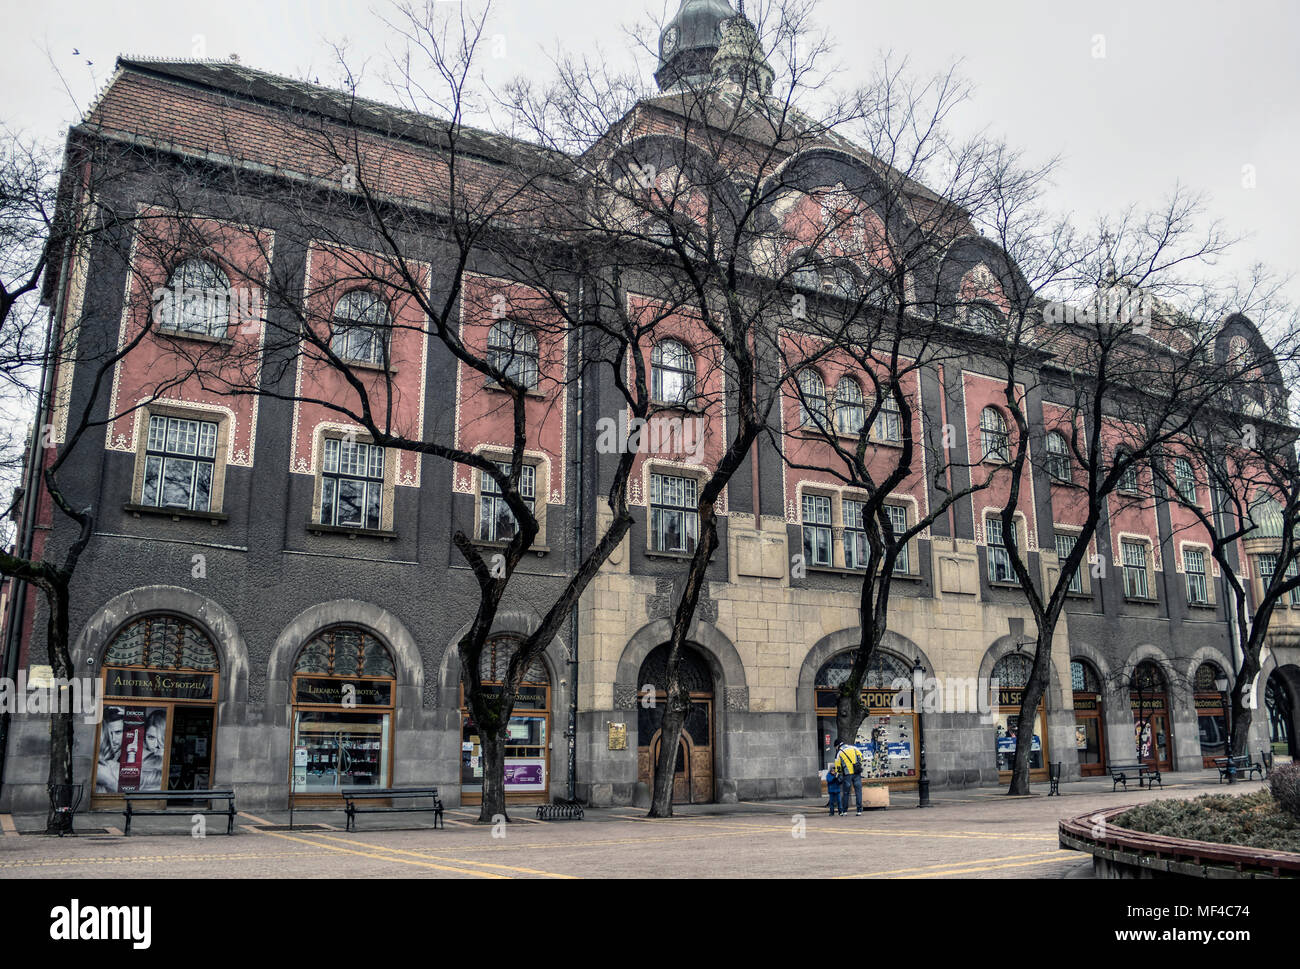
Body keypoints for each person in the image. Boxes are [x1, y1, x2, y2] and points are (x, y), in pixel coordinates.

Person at [835, 737, 864, 816]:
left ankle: (845, 811)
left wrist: (838, 774)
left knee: (846, 793)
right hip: (856, 773)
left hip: (847, 775)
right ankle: (859, 810)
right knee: (858, 792)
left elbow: (838, 766)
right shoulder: (854, 748)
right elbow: (861, 756)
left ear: (837, 746)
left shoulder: (839, 752)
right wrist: (857, 764)